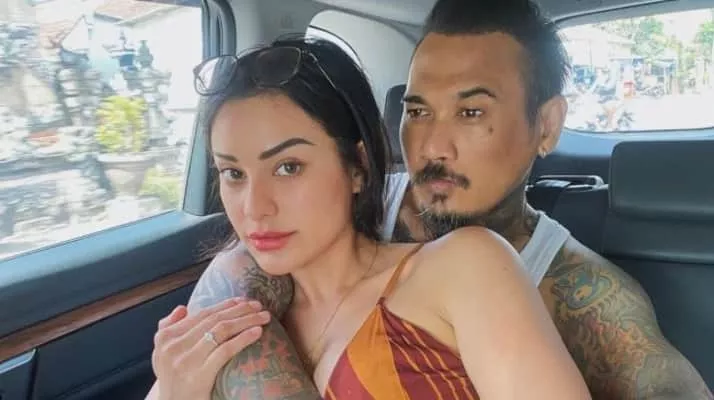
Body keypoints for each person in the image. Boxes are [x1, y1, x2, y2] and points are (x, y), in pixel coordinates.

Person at [166, 1, 714, 399]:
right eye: (418, 111)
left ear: (546, 126)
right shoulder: (321, 218)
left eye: (471, 112)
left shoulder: (587, 296)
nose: (431, 146)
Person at [146, 35, 590, 400]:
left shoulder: (463, 269)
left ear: (357, 166)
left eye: (288, 167)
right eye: (233, 173)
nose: (253, 207)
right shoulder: (228, 305)